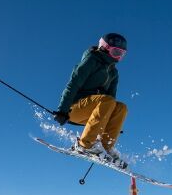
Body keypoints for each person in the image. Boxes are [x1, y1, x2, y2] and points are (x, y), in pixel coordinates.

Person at [53, 32, 130, 169]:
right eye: (116, 52)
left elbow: (111, 100)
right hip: (74, 108)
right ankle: (85, 145)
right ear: (105, 47)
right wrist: (62, 110)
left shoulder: (114, 73)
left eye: (122, 54)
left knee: (121, 107)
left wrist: (111, 122)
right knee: (107, 101)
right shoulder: (91, 60)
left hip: (95, 109)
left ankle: (106, 147)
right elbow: (73, 84)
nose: (118, 57)